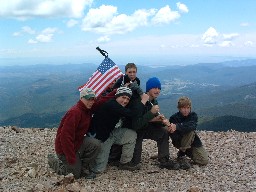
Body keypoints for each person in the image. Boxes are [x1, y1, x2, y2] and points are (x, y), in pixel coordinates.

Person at [47, 88, 115, 179]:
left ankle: (82, 165)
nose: (91, 102)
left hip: (77, 143)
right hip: (64, 149)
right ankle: (53, 161)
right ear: (81, 98)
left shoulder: (88, 108)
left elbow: (101, 101)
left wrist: (115, 91)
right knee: (75, 175)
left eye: (92, 99)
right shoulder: (75, 112)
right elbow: (65, 137)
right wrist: (71, 158)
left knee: (96, 144)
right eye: (88, 99)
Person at [87, 87, 150, 178]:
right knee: (99, 169)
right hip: (101, 138)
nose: (125, 101)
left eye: (127, 99)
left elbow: (132, 110)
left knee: (131, 135)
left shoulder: (117, 104)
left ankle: (124, 163)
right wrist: (143, 101)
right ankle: (86, 164)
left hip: (110, 132)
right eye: (123, 97)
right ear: (117, 96)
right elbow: (132, 113)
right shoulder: (112, 105)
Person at [124, 77, 180, 170]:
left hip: (145, 128)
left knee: (163, 133)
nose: (157, 90)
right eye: (154, 88)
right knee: (135, 162)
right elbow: (136, 124)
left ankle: (164, 160)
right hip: (134, 131)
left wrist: (160, 121)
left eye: (159, 88)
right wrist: (151, 114)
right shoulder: (139, 101)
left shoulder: (154, 101)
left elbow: (150, 120)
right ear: (148, 89)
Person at [167, 96, 209, 167]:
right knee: (189, 131)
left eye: (188, 108)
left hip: (193, 143)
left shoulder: (193, 115)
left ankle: (183, 152)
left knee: (204, 161)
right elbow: (173, 134)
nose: (186, 110)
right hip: (179, 141)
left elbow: (192, 126)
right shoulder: (173, 118)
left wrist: (177, 127)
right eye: (183, 108)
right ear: (179, 108)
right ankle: (182, 154)